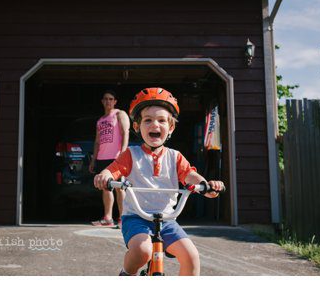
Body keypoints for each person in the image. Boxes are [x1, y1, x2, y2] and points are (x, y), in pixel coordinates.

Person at [94, 88, 224, 277]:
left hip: (168, 220)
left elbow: (190, 175)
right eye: (148, 120)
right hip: (136, 219)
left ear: (170, 128)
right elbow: (113, 170)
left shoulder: (175, 157)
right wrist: (104, 175)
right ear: (137, 127)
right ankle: (126, 273)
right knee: (143, 251)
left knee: (192, 256)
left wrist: (207, 186)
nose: (155, 124)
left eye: (162, 120)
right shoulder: (131, 155)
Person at [88, 90, 130, 227]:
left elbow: (125, 133)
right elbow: (97, 142)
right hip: (102, 157)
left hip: (116, 157)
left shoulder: (119, 114)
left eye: (111, 99)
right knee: (106, 188)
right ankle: (107, 218)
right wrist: (93, 160)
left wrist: (123, 154)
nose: (108, 101)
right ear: (102, 101)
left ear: (115, 101)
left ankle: (123, 219)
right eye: (105, 99)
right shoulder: (100, 120)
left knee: (120, 188)